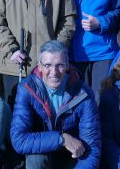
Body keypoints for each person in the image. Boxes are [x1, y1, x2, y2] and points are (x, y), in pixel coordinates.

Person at [10, 40, 100, 169]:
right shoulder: (26, 89)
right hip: (42, 153)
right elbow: (19, 140)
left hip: (72, 157)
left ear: (68, 65)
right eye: (48, 65)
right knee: (35, 159)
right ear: (39, 66)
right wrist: (61, 139)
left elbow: (92, 147)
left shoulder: (83, 93)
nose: (54, 72)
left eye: (60, 65)